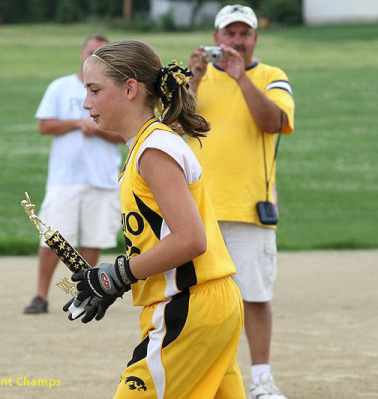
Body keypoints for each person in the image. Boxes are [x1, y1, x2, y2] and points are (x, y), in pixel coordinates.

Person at [63, 40, 246, 399]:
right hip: (206, 303)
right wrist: (115, 282)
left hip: (189, 305)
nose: (87, 103)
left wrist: (118, 273)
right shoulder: (149, 146)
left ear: (130, 88)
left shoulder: (154, 150)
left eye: (95, 90)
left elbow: (190, 239)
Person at [187, 5, 295, 399]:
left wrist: (241, 79)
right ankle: (209, 377)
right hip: (198, 212)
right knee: (199, 300)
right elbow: (177, 125)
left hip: (250, 207)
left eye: (243, 34)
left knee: (255, 296)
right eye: (228, 34)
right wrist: (194, 79)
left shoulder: (272, 76)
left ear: (255, 38)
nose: (236, 41)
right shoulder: (195, 77)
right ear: (215, 39)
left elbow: (273, 122)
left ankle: (261, 379)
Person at [24, 35, 123, 314]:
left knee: (93, 239)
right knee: (54, 238)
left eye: (103, 53)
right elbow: (45, 126)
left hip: (101, 178)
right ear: (82, 53)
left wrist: (99, 130)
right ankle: (41, 295)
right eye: (92, 51)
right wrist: (76, 122)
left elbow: (125, 133)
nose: (95, 56)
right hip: (65, 178)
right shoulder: (61, 87)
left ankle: (85, 294)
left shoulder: (114, 91)